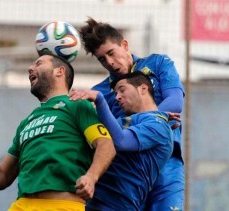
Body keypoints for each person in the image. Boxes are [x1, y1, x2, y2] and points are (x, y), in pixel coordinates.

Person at [0, 53, 116, 211]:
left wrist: (91, 177)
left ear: (60, 71)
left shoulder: (77, 105)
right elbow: (3, 174)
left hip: (62, 205)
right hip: (22, 205)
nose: (30, 68)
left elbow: (106, 145)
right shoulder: (27, 122)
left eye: (38, 63)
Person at [79, 17, 185, 210]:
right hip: (127, 172)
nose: (110, 62)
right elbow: (106, 136)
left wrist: (153, 121)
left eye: (111, 53)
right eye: (102, 59)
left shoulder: (158, 63)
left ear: (125, 44)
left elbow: (175, 103)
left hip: (166, 165)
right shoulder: (100, 92)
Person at [70, 71, 174, 210]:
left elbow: (122, 142)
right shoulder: (124, 122)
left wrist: (100, 100)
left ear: (143, 88)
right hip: (91, 200)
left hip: (118, 204)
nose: (117, 97)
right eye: (115, 93)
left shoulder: (159, 125)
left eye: (122, 90)